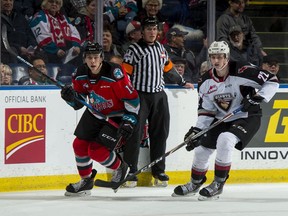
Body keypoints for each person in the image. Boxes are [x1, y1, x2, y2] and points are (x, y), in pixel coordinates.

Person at [172, 41, 279, 201]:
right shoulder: (205, 81)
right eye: (213, 57)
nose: (217, 61)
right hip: (223, 118)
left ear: (227, 57)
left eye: (220, 57)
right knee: (201, 149)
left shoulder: (242, 70)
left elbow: (272, 80)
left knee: (225, 139)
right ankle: (195, 183)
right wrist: (198, 130)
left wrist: (258, 98)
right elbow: (207, 111)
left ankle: (218, 183)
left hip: (247, 116)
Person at [60, 42, 140, 196]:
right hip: (96, 112)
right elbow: (78, 103)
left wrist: (130, 121)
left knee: (96, 151)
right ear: (84, 59)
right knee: (79, 145)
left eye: (96, 57)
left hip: (117, 115)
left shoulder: (114, 72)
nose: (93, 61)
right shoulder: (80, 73)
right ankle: (86, 181)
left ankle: (120, 167)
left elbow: (132, 99)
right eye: (89, 57)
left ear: (102, 58)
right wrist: (69, 98)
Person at [122, 17, 194, 187]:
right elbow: (125, 74)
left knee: (160, 133)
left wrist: (182, 82)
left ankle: (158, 170)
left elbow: (168, 68)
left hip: (159, 96)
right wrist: (126, 94)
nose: (152, 32)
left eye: (155, 29)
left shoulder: (161, 48)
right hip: (140, 96)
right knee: (135, 134)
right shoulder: (134, 49)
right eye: (149, 29)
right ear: (142, 32)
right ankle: (130, 170)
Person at [29, 0, 81, 65]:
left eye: (57, 3)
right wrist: (56, 50)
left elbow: (74, 32)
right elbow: (43, 37)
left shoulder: (63, 18)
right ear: (44, 4)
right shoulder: (39, 16)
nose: (54, 4)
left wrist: (76, 46)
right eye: (51, 1)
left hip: (64, 51)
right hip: (47, 51)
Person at [1, 0, 39, 64]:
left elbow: (30, 35)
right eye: (5, 0)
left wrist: (32, 47)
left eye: (10, 0)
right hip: (8, 50)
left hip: (26, 50)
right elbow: (2, 41)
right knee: (12, 51)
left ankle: (40, 73)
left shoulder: (20, 17)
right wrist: (19, 48)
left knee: (40, 52)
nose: (8, 2)